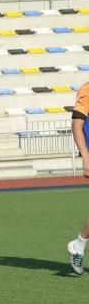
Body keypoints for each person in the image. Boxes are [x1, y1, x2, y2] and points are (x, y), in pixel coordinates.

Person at [67, 81, 89, 274]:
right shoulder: (87, 89)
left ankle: (78, 245)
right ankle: (78, 244)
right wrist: (85, 156)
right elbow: (77, 124)